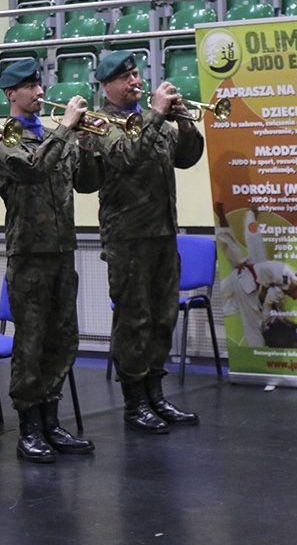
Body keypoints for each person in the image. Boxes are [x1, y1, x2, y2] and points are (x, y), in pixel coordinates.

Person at [0, 59, 101, 463]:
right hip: (29, 254)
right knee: (30, 342)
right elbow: (33, 170)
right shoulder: (2, 142)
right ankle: (29, 427)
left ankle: (52, 420)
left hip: (62, 251)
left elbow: (87, 184)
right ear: (10, 94)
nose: (39, 91)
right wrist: (67, 129)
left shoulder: (58, 137)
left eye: (39, 83)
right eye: (29, 86)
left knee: (62, 337)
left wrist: (85, 143)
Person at [89, 50, 204, 434]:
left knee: (162, 318)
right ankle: (134, 402)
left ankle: (156, 393)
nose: (136, 82)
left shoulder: (151, 122)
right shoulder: (100, 122)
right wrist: (155, 113)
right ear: (107, 86)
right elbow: (125, 156)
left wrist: (185, 123)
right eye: (126, 78)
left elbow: (185, 158)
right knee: (134, 320)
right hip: (128, 239)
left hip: (162, 233)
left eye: (137, 75)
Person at [214, 202, 297, 350]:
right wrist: (265, 292)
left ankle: (245, 216)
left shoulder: (281, 291)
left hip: (246, 282)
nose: (295, 298)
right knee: (254, 334)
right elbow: (261, 258)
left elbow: (292, 329)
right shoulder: (283, 274)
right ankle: (237, 216)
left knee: (246, 248)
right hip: (247, 287)